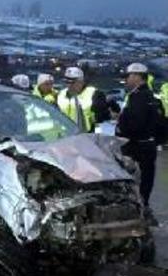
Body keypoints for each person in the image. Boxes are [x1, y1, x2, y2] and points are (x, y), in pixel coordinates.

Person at [116, 63, 162, 225]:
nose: (126, 80)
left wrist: (121, 131)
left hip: (136, 146)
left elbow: (135, 124)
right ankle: (143, 208)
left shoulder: (139, 98)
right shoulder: (150, 97)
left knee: (133, 181)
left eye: (128, 77)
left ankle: (139, 212)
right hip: (148, 145)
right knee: (146, 179)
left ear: (136, 76)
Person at [56, 66, 109, 132]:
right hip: (65, 135)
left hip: (85, 135)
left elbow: (103, 117)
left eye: (72, 82)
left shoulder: (94, 94)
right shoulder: (61, 94)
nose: (69, 85)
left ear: (81, 81)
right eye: (67, 82)